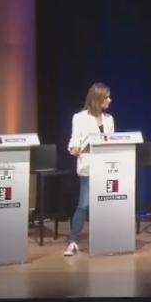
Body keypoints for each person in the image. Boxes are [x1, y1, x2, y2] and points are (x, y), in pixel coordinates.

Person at [64, 83, 114, 257]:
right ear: (97, 99)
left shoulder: (109, 119)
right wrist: (73, 148)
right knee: (84, 204)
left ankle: (106, 240)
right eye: (106, 97)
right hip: (89, 166)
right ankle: (72, 241)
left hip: (107, 167)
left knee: (106, 203)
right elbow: (75, 137)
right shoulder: (80, 117)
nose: (110, 100)